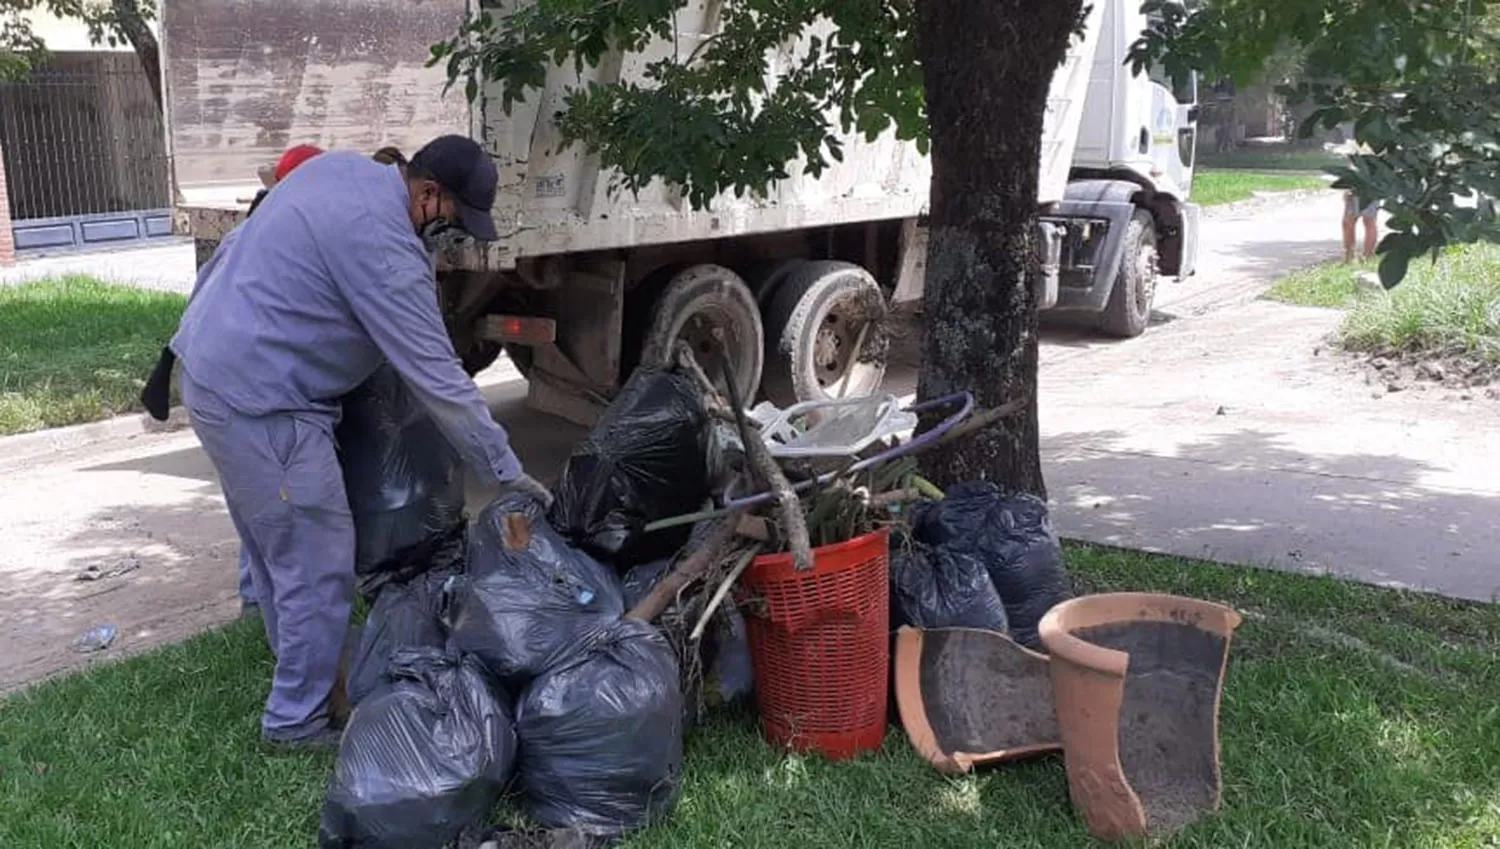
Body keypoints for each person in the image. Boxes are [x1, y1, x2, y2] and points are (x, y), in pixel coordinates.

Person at [169, 135, 546, 751]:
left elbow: (239, 247)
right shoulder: (385, 249)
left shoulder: (344, 172)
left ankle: (310, 669)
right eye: (455, 225)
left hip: (214, 375)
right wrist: (506, 472)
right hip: (267, 403)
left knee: (276, 553)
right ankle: (296, 722)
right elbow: (440, 380)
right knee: (318, 563)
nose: (456, 242)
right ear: (428, 194)